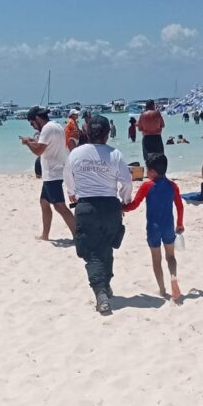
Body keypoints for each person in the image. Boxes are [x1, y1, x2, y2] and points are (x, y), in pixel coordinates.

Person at [63, 114, 132, 315]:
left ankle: (100, 291)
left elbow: (67, 176)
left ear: (87, 132)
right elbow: (126, 181)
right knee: (106, 246)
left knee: (92, 252)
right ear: (108, 134)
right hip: (110, 206)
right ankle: (105, 285)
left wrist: (72, 192)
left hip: (86, 206)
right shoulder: (115, 154)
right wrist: (125, 200)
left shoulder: (76, 154)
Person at [123, 153, 184, 299]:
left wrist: (122, 207)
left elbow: (134, 205)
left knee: (156, 260)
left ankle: (162, 289)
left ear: (153, 172)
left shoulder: (147, 186)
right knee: (171, 256)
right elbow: (179, 206)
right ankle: (173, 277)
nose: (146, 172)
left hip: (153, 228)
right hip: (168, 226)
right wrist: (179, 223)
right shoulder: (172, 186)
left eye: (147, 170)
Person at [21, 106, 75, 240]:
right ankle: (45, 235)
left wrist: (27, 142)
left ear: (37, 119)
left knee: (60, 206)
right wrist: (33, 141)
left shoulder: (46, 129)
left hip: (53, 173)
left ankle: (78, 235)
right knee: (44, 202)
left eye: (32, 123)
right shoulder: (56, 126)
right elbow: (47, 145)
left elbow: (38, 151)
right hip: (54, 171)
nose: (33, 126)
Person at [137, 99, 165, 164]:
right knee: (160, 158)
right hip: (157, 138)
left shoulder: (142, 115)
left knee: (148, 159)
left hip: (147, 138)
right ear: (153, 105)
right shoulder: (157, 114)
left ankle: (150, 170)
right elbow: (163, 125)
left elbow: (139, 129)